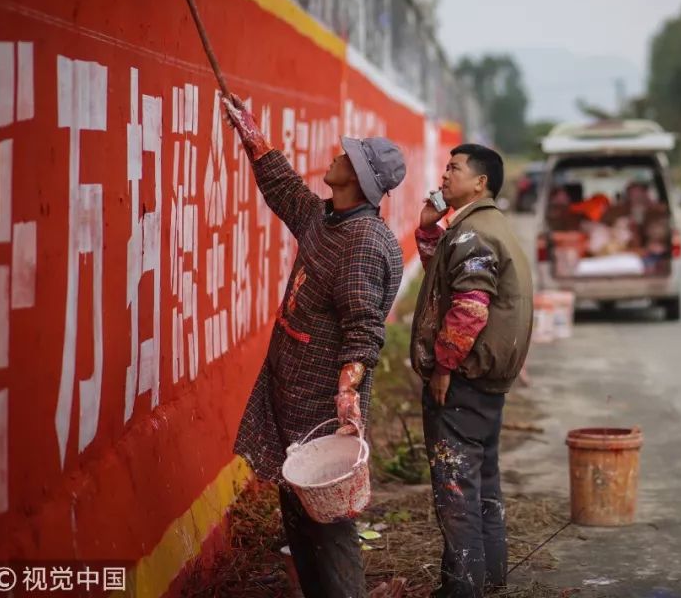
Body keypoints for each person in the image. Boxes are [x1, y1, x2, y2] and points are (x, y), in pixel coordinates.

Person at [225, 95, 406, 598]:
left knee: (327, 524)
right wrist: (253, 137)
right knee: (299, 515)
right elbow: (286, 192)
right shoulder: (330, 220)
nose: (336, 156)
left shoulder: (363, 242)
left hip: (323, 409)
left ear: (360, 179)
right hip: (294, 396)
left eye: (347, 156)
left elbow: (364, 329)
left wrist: (347, 393)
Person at [410, 145, 534, 598]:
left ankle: (463, 589)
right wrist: (428, 228)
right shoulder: (481, 228)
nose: (444, 175)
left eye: (454, 169)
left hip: (463, 382)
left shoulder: (474, 235)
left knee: (457, 493)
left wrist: (444, 366)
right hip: (486, 385)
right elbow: (445, 281)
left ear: (480, 183)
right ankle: (489, 579)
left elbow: (467, 309)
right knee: (482, 484)